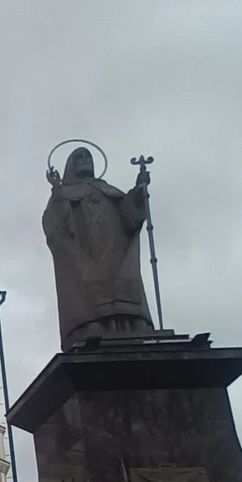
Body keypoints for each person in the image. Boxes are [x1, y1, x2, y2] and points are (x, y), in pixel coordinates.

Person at [43, 147, 154, 350]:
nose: (85, 160)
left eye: (88, 157)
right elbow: (58, 226)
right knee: (90, 295)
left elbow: (130, 217)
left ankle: (130, 326)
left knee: (122, 289)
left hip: (117, 254)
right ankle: (93, 328)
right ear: (71, 166)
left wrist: (139, 190)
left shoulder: (109, 191)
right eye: (79, 158)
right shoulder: (64, 193)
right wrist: (57, 191)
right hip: (86, 256)